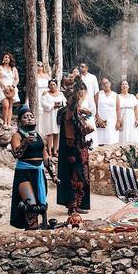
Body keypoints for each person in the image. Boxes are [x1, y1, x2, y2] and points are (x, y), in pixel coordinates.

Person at [10, 105, 51, 230]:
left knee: (40, 205)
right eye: (25, 117)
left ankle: (35, 233)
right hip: (24, 174)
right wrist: (25, 143)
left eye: (31, 116)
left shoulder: (38, 136)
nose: (29, 118)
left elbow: (46, 157)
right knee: (31, 205)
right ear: (20, 121)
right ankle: (31, 234)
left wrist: (53, 175)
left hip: (38, 173)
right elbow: (16, 154)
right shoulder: (17, 136)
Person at [57, 85, 93, 214]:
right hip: (72, 148)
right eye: (74, 97)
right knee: (74, 178)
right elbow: (71, 129)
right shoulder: (68, 111)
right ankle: (72, 206)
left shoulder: (78, 111)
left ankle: (78, 204)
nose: (77, 98)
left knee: (82, 177)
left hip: (81, 147)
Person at [40, 77, 67, 156]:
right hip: (49, 115)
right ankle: (49, 150)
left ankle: (55, 150)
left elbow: (65, 103)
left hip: (58, 115)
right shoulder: (45, 93)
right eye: (50, 85)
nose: (52, 86)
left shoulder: (60, 94)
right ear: (48, 86)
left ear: (56, 85)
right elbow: (43, 104)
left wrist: (60, 105)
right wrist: (53, 105)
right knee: (50, 133)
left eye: (54, 84)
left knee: (57, 133)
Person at [0, 53, 20, 128]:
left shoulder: (13, 68)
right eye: (5, 57)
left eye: (9, 57)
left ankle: (9, 123)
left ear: (10, 59)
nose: (7, 58)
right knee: (5, 105)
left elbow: (17, 79)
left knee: (10, 106)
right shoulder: (0, 67)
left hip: (11, 88)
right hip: (2, 87)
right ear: (3, 59)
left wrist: (13, 86)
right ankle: (4, 122)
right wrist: (4, 86)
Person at [78, 63, 99, 147]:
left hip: (90, 101)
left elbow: (96, 92)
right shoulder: (78, 77)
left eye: (83, 66)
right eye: (80, 67)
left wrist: (96, 105)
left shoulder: (93, 77)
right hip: (81, 100)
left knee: (90, 121)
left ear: (87, 67)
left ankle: (92, 143)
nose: (81, 68)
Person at [95, 78, 119, 145]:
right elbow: (95, 108)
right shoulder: (98, 94)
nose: (105, 85)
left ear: (110, 84)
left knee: (111, 141)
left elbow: (118, 109)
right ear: (101, 86)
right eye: (103, 84)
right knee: (101, 141)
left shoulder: (115, 95)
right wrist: (98, 118)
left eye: (107, 83)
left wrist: (118, 121)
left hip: (112, 120)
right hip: (101, 120)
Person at [35, 62, 51, 128]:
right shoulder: (35, 75)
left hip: (46, 92)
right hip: (38, 93)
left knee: (47, 108)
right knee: (39, 109)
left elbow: (51, 84)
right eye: (38, 65)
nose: (40, 67)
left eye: (41, 66)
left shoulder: (47, 75)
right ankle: (39, 127)